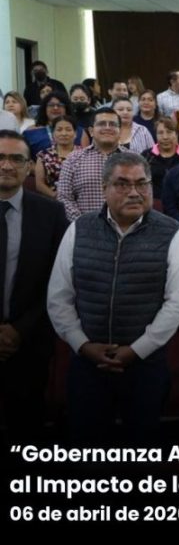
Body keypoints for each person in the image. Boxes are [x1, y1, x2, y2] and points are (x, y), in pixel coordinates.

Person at [48, 152, 179, 445]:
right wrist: (82, 345)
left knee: (142, 447)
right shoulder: (79, 228)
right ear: (104, 189)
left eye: (142, 183)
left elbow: (177, 304)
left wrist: (136, 350)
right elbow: (59, 297)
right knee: (87, 448)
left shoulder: (171, 233)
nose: (134, 192)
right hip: (88, 363)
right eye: (123, 184)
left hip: (146, 365)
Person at [0, 131, 68, 443]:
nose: (7, 165)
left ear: (30, 167)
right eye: (0, 157)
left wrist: (19, 330)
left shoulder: (51, 214)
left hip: (28, 341)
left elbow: (58, 279)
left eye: (16, 159)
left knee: (27, 430)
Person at [57, 108, 126, 222]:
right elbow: (64, 197)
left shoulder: (134, 159)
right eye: (102, 124)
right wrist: (84, 224)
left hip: (125, 226)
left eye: (113, 124)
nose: (107, 128)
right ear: (91, 131)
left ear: (120, 131)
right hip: (84, 227)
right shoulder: (73, 159)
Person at [34, 115, 77, 199]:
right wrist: (56, 197)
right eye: (59, 130)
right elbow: (39, 184)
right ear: (53, 133)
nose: (64, 133)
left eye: (68, 130)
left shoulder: (84, 153)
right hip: (52, 200)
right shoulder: (43, 155)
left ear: (75, 133)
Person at [143, 117, 179, 199]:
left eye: (169, 132)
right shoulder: (146, 156)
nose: (165, 137)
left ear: (176, 134)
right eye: (160, 133)